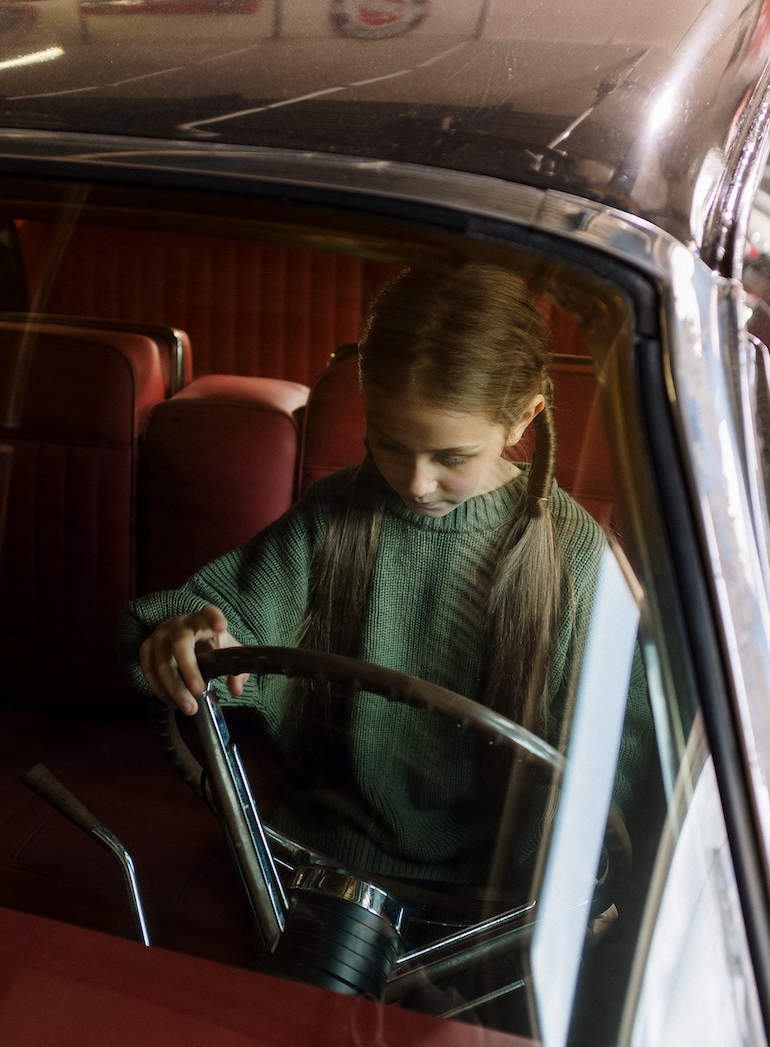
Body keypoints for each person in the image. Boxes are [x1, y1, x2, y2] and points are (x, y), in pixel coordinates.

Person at [118, 263, 651, 894]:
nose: (417, 483)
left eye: (452, 457)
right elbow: (217, 617)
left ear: (522, 421)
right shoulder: (335, 514)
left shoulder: (579, 558)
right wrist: (188, 643)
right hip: (313, 860)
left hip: (497, 891)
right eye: (390, 444)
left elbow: (614, 759)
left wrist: (542, 894)